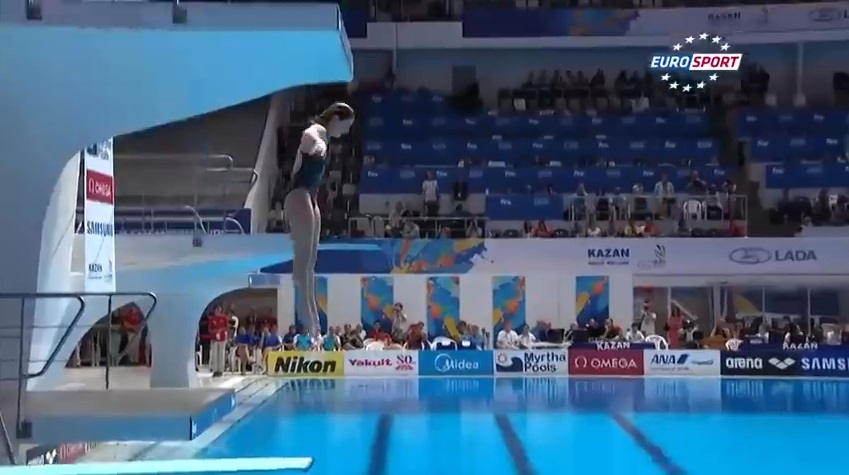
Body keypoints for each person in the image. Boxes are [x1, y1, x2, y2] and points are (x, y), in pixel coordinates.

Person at [285, 102, 354, 337]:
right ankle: (309, 327)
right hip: (298, 195)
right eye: (345, 126)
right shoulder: (316, 133)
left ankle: (314, 326)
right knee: (303, 267)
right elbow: (307, 137)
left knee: (309, 267)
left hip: (310, 198)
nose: (346, 131)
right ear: (335, 119)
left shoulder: (326, 138)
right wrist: (317, 145)